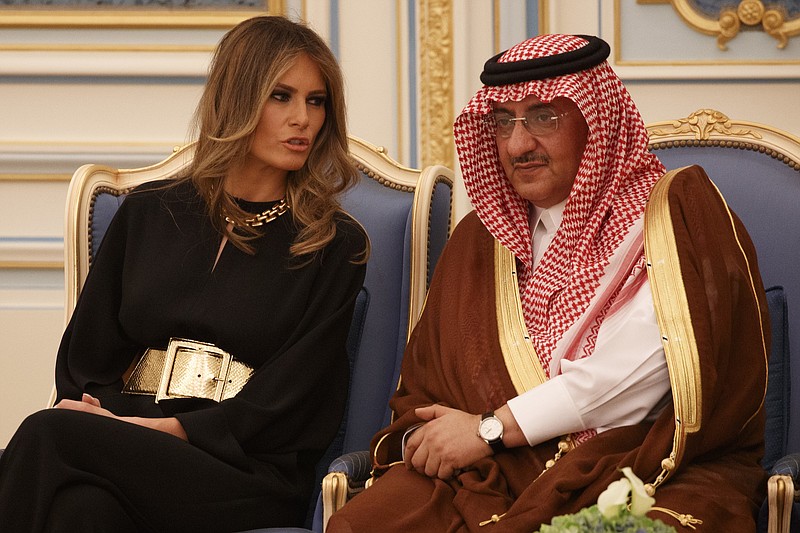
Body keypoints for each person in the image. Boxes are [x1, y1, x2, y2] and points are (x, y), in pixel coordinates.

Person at [327, 34, 767, 532]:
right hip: (488, 471)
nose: (518, 144)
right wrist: (429, 441)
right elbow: (424, 388)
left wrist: (488, 429)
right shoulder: (481, 239)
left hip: (640, 467)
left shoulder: (674, 217)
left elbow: (636, 379)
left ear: (595, 122)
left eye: (543, 116)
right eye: (504, 122)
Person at [0, 15, 368, 532]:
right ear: (237, 100)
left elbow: (293, 399)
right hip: (125, 441)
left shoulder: (334, 244)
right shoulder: (148, 212)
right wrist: (111, 420)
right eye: (281, 96)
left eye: (316, 100)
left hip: (243, 469)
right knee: (80, 512)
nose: (303, 119)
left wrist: (161, 429)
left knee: (46, 435)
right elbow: (86, 356)